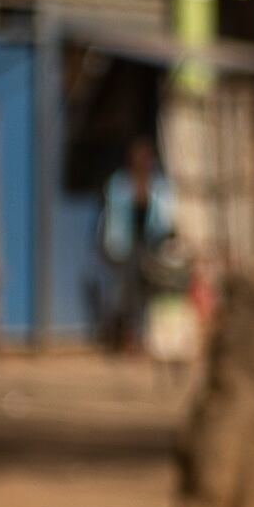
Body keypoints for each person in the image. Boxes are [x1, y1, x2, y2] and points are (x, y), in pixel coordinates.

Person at [96, 138, 172, 357]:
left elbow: (163, 217)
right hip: (121, 247)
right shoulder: (119, 185)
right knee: (122, 293)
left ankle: (142, 338)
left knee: (145, 293)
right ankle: (122, 338)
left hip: (148, 246)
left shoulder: (157, 185)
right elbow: (110, 218)